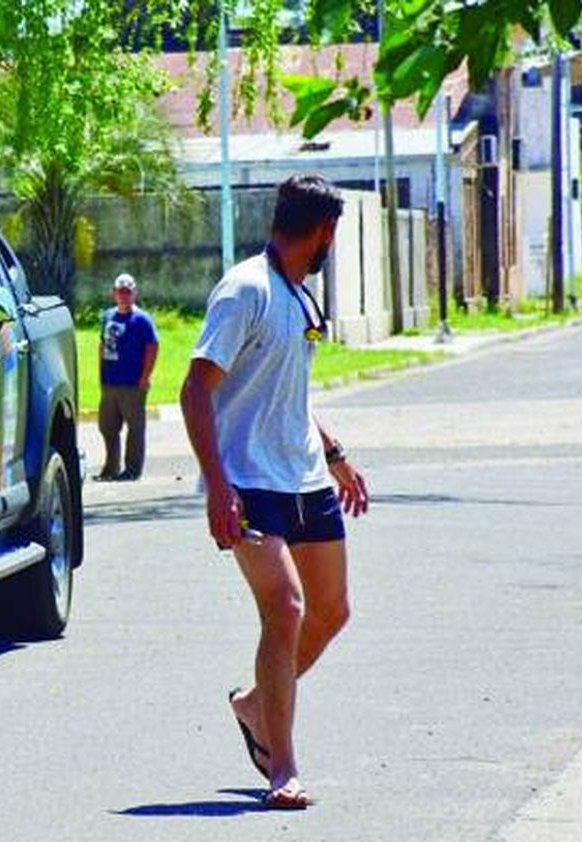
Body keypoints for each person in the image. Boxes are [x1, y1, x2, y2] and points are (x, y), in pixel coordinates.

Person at [179, 174, 370, 810]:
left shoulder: (297, 294)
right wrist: (216, 486)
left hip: (306, 476)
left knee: (331, 611)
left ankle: (256, 704)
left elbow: (286, 391)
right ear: (324, 232)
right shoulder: (246, 291)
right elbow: (195, 390)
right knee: (285, 608)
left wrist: (336, 454)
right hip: (250, 482)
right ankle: (281, 765)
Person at [96, 273, 159, 481]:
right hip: (110, 382)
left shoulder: (142, 320)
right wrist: (100, 374)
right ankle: (111, 468)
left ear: (134, 294)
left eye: (127, 292)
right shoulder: (107, 316)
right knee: (107, 426)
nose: (123, 296)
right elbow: (102, 345)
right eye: (120, 291)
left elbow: (152, 347)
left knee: (135, 429)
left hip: (132, 383)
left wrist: (145, 376)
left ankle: (132, 470)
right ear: (114, 293)